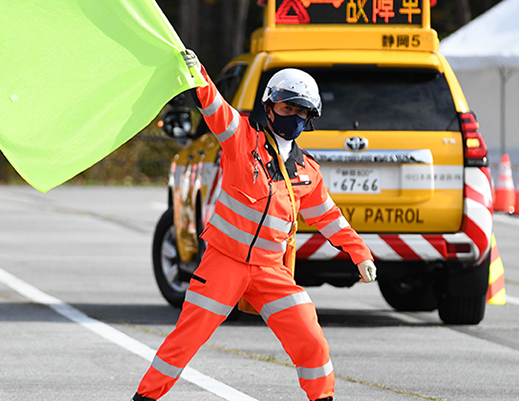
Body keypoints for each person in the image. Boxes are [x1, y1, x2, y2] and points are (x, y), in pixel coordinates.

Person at [131, 51, 377, 401]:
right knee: (185, 340)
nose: (293, 116)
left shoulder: (308, 170)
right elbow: (214, 106)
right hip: (223, 265)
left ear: (310, 118)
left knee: (311, 338)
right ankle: (143, 398)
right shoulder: (241, 139)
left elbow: (329, 218)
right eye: (287, 108)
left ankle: (323, 399)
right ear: (270, 107)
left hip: (270, 272)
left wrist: (359, 252)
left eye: (301, 111)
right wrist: (197, 71)